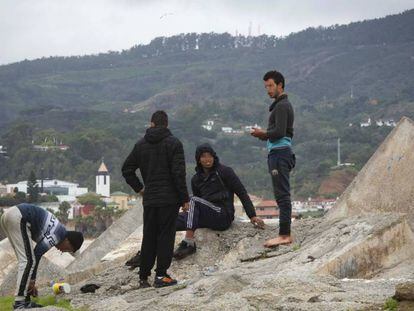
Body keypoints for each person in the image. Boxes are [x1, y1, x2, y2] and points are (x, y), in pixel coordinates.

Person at [122, 110, 189, 288]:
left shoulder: (141, 145)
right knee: (166, 236)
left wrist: (140, 188)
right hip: (169, 199)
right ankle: (161, 276)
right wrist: (185, 198)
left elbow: (126, 169)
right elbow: (178, 174)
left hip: (150, 198)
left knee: (149, 236)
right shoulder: (174, 143)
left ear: (151, 123)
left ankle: (143, 277)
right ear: (166, 124)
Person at [173, 143, 264, 259]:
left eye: (210, 156)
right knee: (170, 220)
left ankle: (189, 242)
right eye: (203, 156)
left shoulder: (224, 172)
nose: (207, 159)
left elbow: (242, 193)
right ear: (198, 159)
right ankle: (159, 252)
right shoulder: (196, 179)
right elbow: (196, 207)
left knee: (192, 199)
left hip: (222, 214)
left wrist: (252, 215)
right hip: (207, 216)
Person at [0, 203, 84, 310]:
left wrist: (31, 280)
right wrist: (32, 280)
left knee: (25, 261)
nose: (62, 251)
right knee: (28, 261)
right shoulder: (58, 234)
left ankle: (25, 300)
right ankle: (19, 304)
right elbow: (37, 253)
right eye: (67, 249)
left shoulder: (57, 229)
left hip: (8, 215)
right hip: (19, 217)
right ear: (67, 240)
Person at [251, 70, 296, 248]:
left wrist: (263, 134)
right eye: (266, 87)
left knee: (282, 195)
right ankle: (284, 233)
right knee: (280, 194)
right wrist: (263, 135)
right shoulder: (279, 106)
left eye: (270, 85)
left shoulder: (283, 106)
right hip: (278, 153)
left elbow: (279, 132)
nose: (268, 89)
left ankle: (285, 234)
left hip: (280, 154)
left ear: (280, 85)